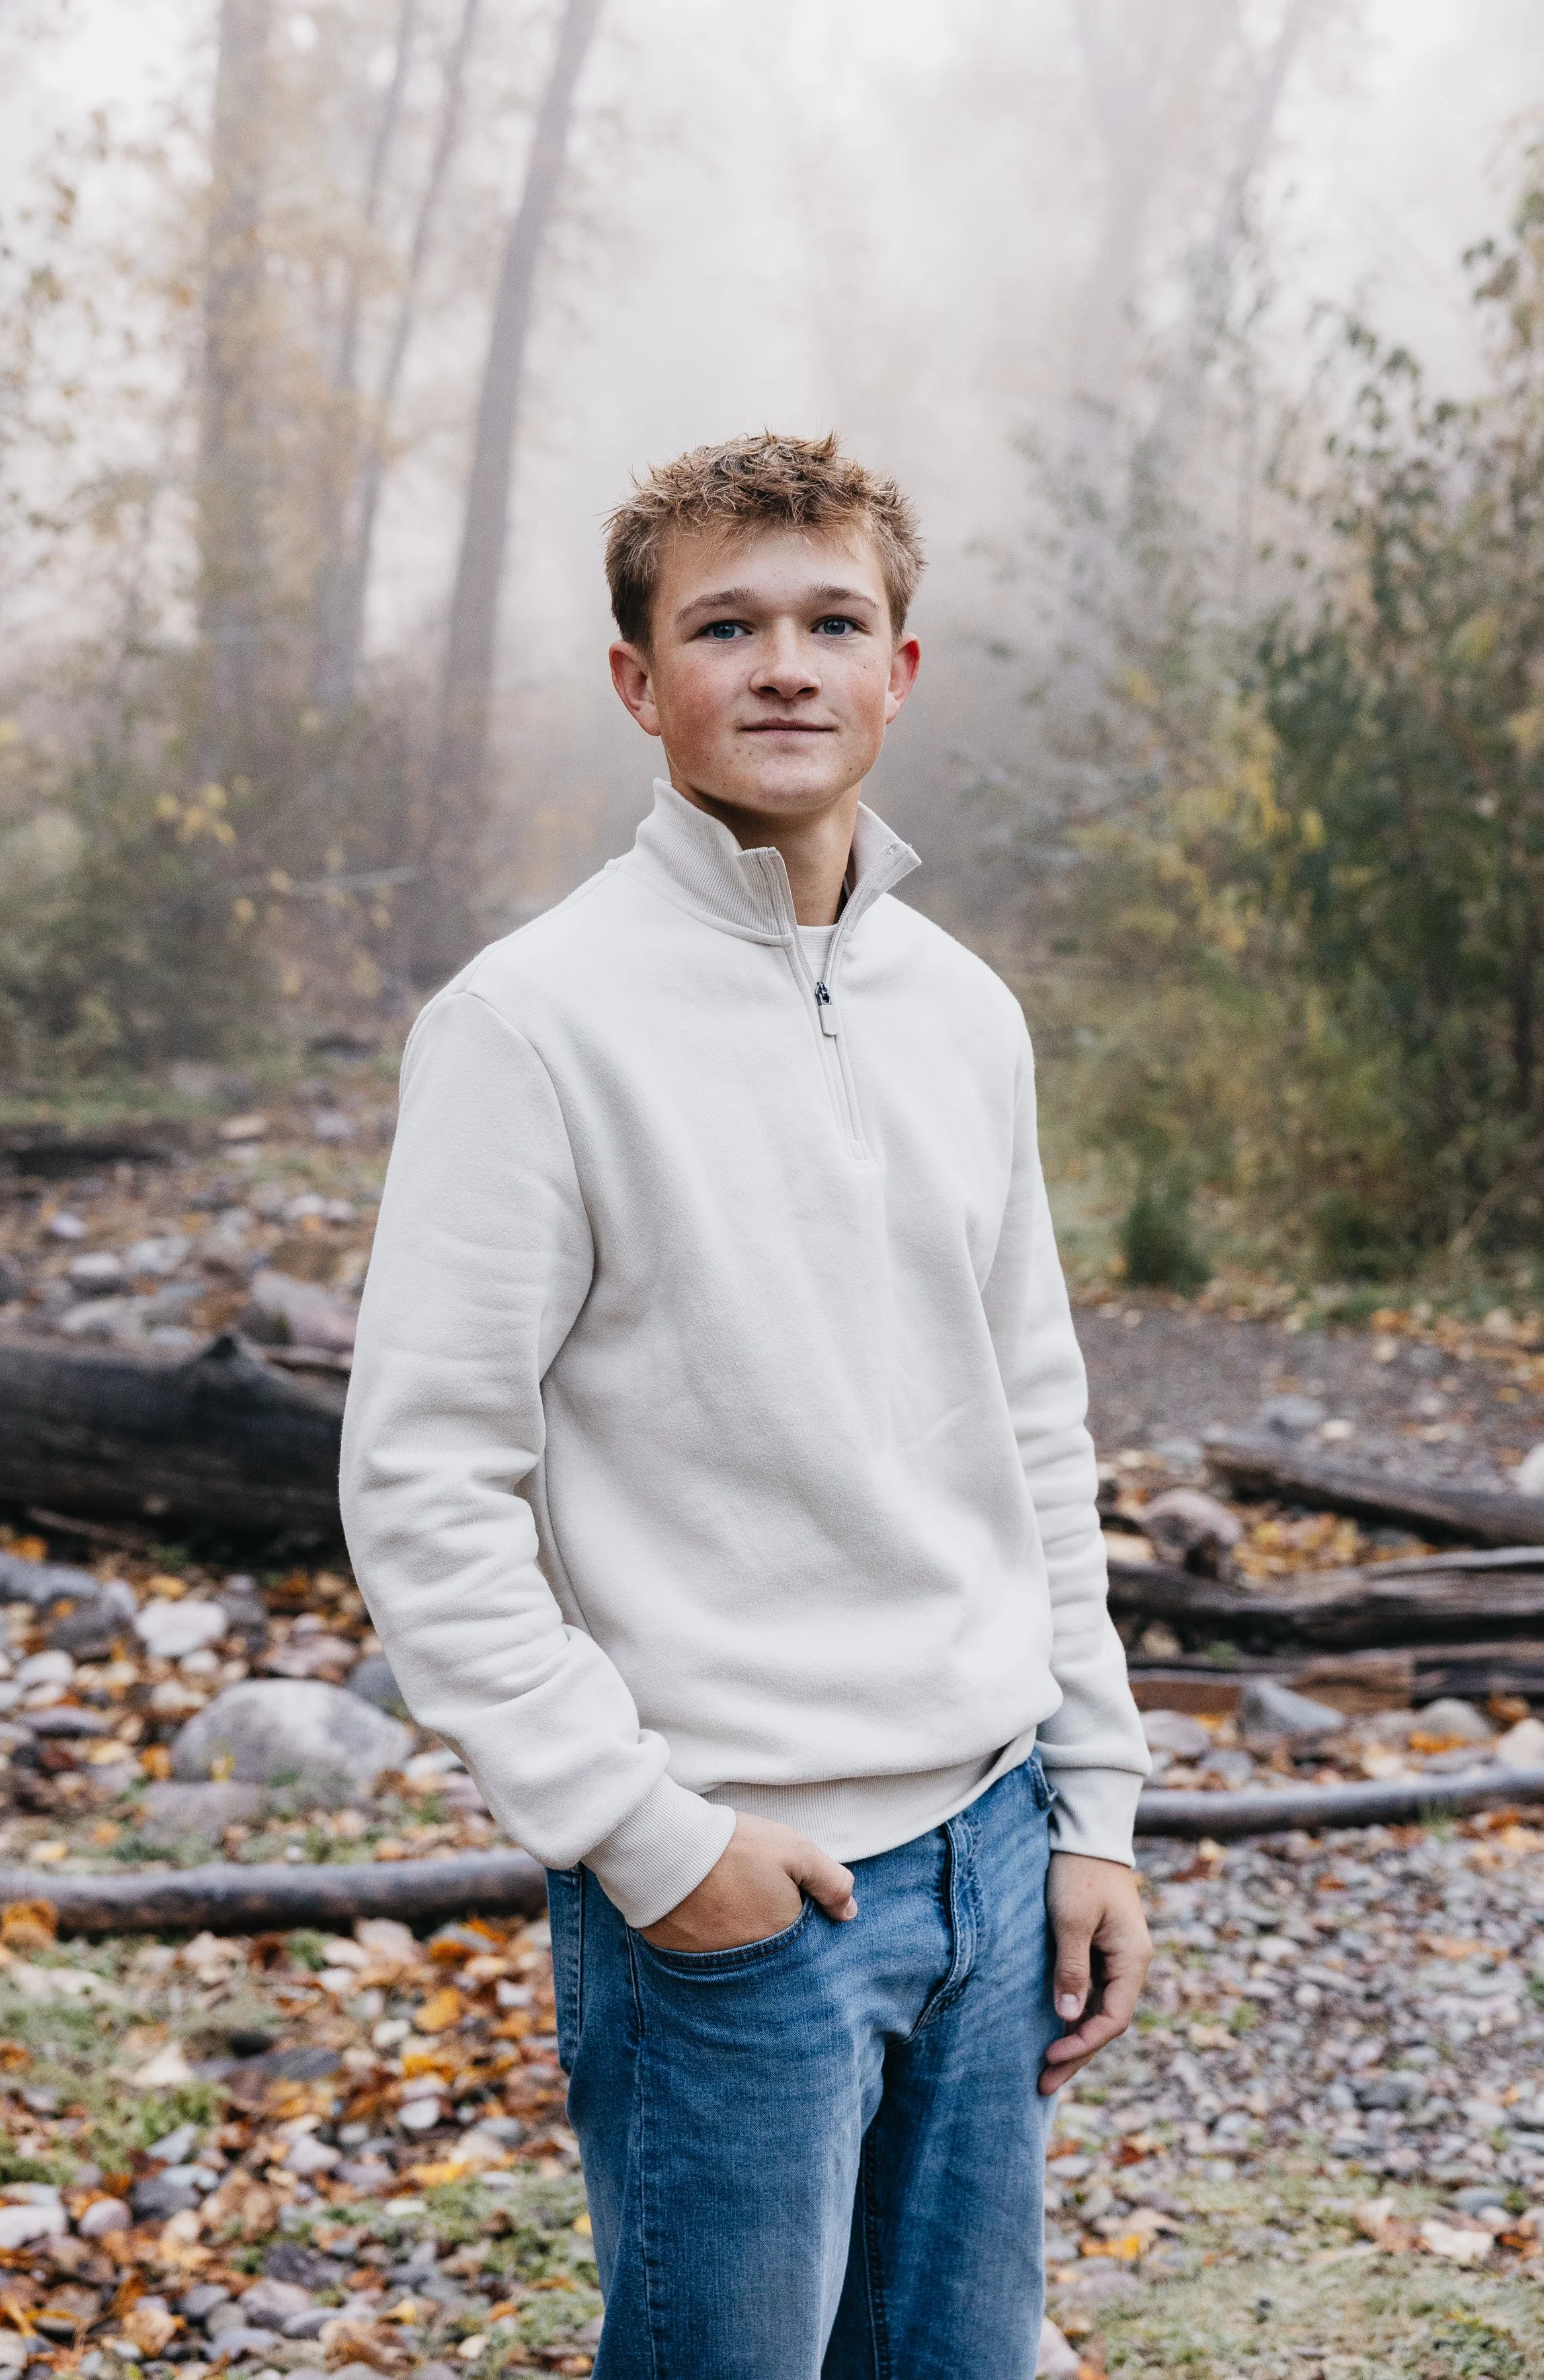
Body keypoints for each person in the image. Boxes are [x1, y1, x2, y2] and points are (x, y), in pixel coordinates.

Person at [341, 430, 1152, 2380]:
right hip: (738, 1891)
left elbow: (1033, 1414)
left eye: (831, 621)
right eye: (726, 624)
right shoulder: (532, 1025)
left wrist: (1098, 1803)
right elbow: (425, 1480)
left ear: (901, 669)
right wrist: (638, 1831)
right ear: (640, 682)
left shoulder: (963, 1011)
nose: (784, 663)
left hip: (996, 1845)